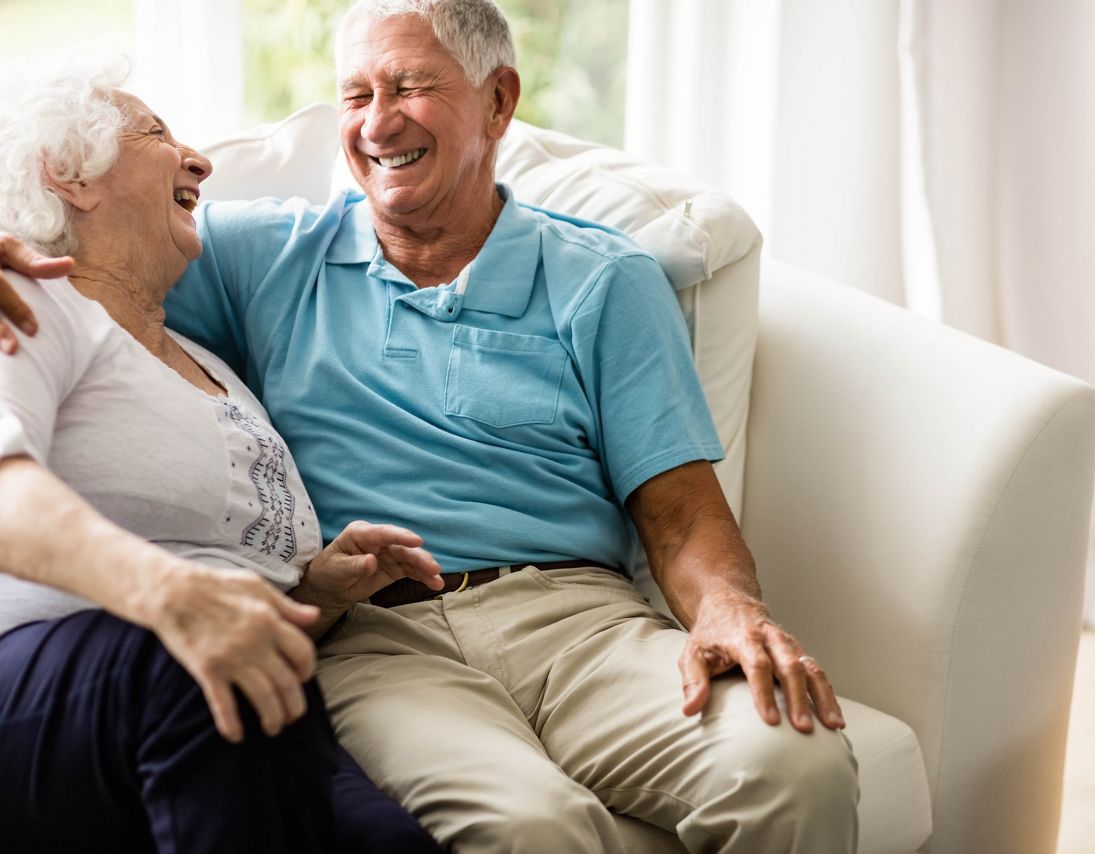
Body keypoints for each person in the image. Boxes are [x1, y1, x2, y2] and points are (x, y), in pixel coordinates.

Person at [0, 1, 861, 851]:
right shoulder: (254, 257)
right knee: (531, 830)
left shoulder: (605, 279)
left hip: (577, 622)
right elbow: (87, 253)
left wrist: (728, 610)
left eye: (410, 86)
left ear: (497, 101)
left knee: (794, 767)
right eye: (356, 95)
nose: (378, 122)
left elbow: (680, 513)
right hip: (382, 634)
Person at [0, 64, 444, 854]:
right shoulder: (28, 306)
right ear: (69, 177)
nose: (199, 160)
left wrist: (318, 590)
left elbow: (230, 575)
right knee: (197, 669)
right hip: (50, 673)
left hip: (216, 686)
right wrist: (170, 596)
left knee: (391, 842)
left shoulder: (210, 363)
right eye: (158, 136)